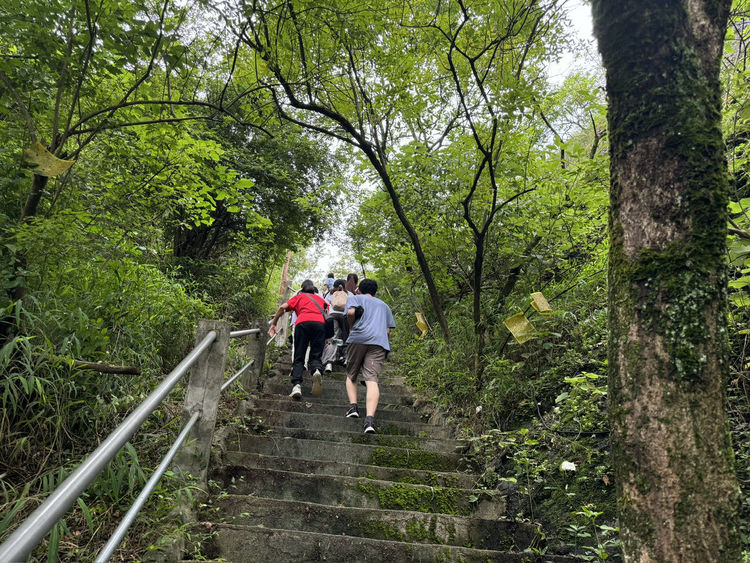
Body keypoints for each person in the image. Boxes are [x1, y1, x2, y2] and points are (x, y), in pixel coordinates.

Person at [343, 278, 395, 433]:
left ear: (359, 289)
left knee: (351, 374)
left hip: (358, 338)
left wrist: (351, 328)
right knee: (372, 380)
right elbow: (387, 331)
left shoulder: (355, 298)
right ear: (375, 291)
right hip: (379, 342)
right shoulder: (384, 306)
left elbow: (350, 313)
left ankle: (353, 408)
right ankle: (369, 420)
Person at [269, 279, 327, 399]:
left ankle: (296, 386)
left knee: (299, 355)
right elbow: (328, 314)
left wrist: (274, 323)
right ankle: (316, 370)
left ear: (302, 289)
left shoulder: (299, 297)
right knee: (316, 355)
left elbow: (282, 307)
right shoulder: (320, 299)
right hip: (320, 325)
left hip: (303, 323)